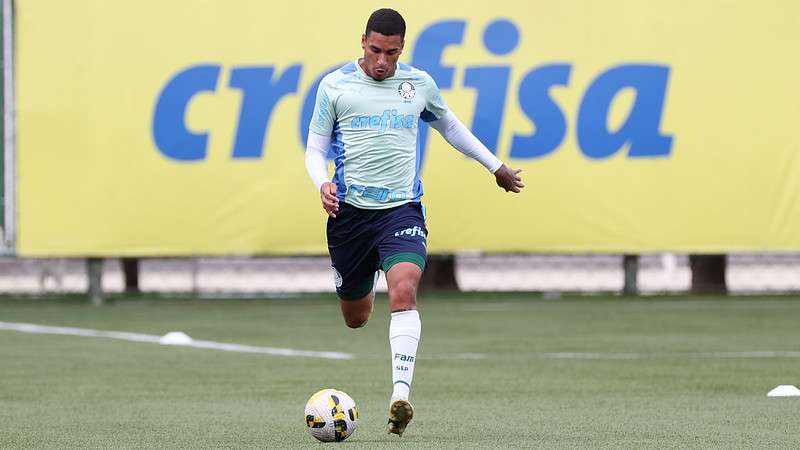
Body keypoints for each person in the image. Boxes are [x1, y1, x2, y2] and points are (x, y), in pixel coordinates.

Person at [304, 8, 524, 437]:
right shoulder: (335, 86)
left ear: (401, 48)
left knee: (404, 289)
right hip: (348, 215)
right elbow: (315, 149)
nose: (382, 61)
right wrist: (322, 182)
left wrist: (495, 166)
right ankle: (360, 299)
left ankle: (399, 396)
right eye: (374, 50)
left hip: (401, 210)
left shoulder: (418, 84)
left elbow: (452, 128)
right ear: (362, 41)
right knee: (356, 316)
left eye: (391, 52)